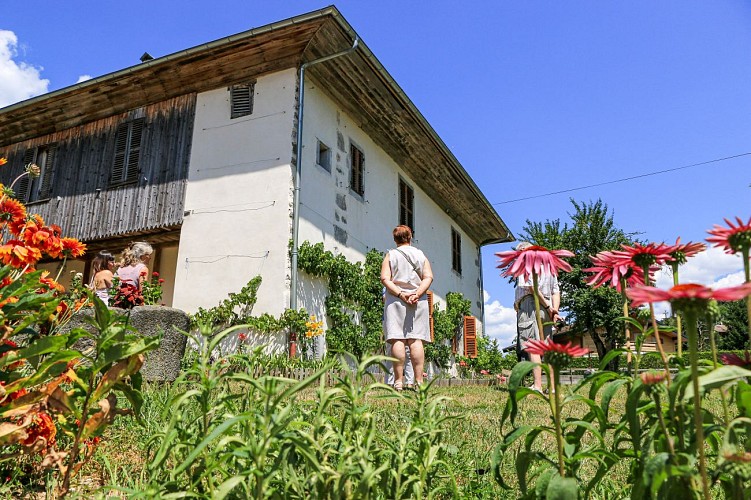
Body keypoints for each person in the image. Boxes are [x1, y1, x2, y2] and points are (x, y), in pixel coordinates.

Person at [380, 225, 433, 390]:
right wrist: (417, 293)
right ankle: (418, 382)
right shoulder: (420, 255)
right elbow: (428, 277)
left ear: (395, 239)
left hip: (396, 301)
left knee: (397, 339)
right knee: (415, 340)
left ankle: (398, 381)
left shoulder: (391, 255)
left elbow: (385, 279)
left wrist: (400, 294)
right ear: (410, 237)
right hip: (417, 301)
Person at [514, 241, 562, 393]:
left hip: (531, 304)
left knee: (532, 345)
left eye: (519, 252)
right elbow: (556, 291)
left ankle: (538, 386)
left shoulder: (525, 263)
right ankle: (553, 387)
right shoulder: (549, 265)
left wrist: (548, 307)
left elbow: (531, 287)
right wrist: (554, 310)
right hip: (547, 305)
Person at [113, 241, 153, 308]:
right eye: (148, 254)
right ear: (141, 255)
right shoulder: (142, 268)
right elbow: (142, 293)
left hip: (116, 303)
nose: (150, 257)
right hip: (131, 305)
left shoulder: (121, 268)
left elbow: (114, 287)